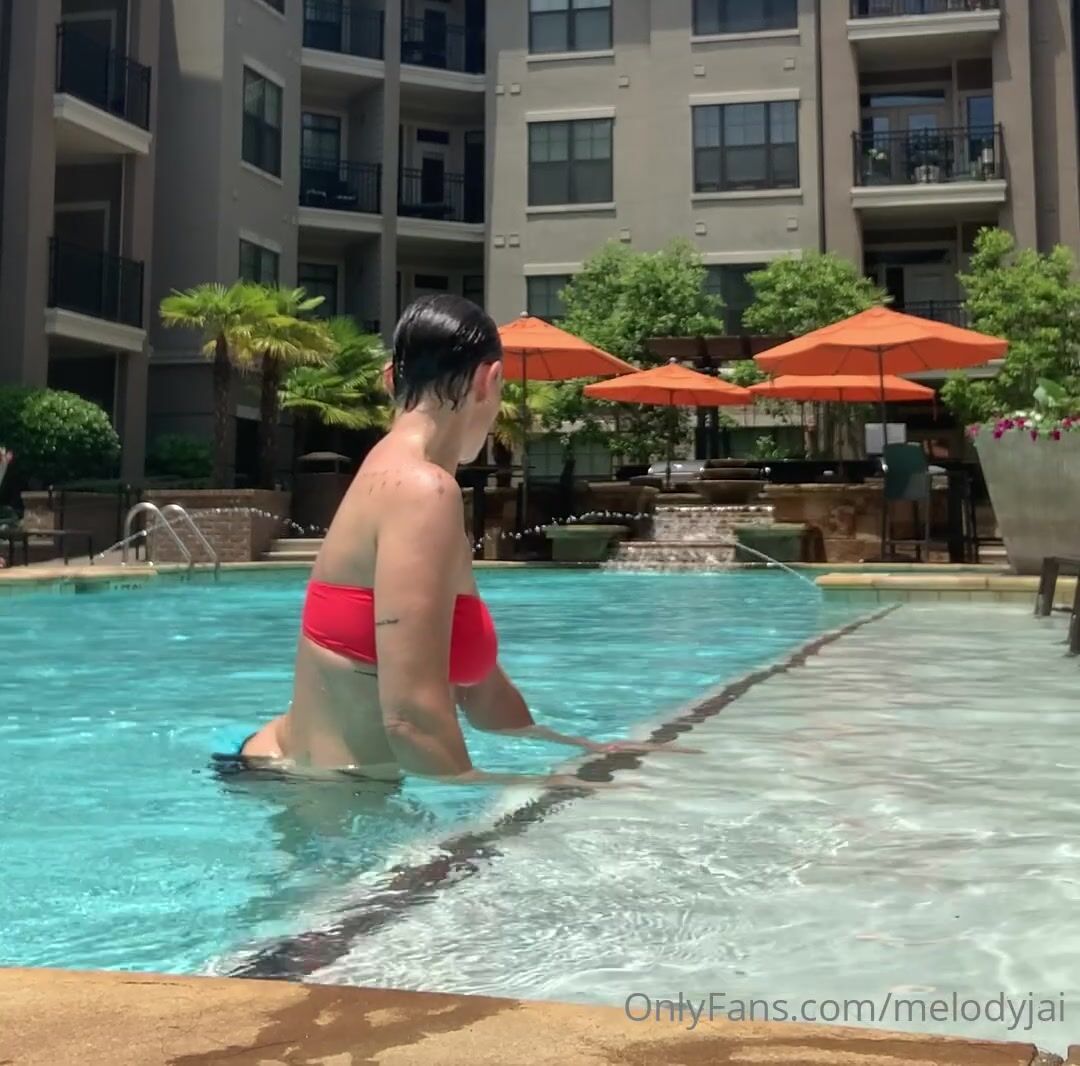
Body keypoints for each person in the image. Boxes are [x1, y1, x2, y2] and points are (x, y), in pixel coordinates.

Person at [234, 295, 695, 787]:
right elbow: (410, 717)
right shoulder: (422, 491)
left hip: (310, 775)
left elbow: (483, 694)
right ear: (488, 380)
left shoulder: (404, 477)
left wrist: (592, 752)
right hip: (310, 787)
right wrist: (539, 787)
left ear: (391, 379)